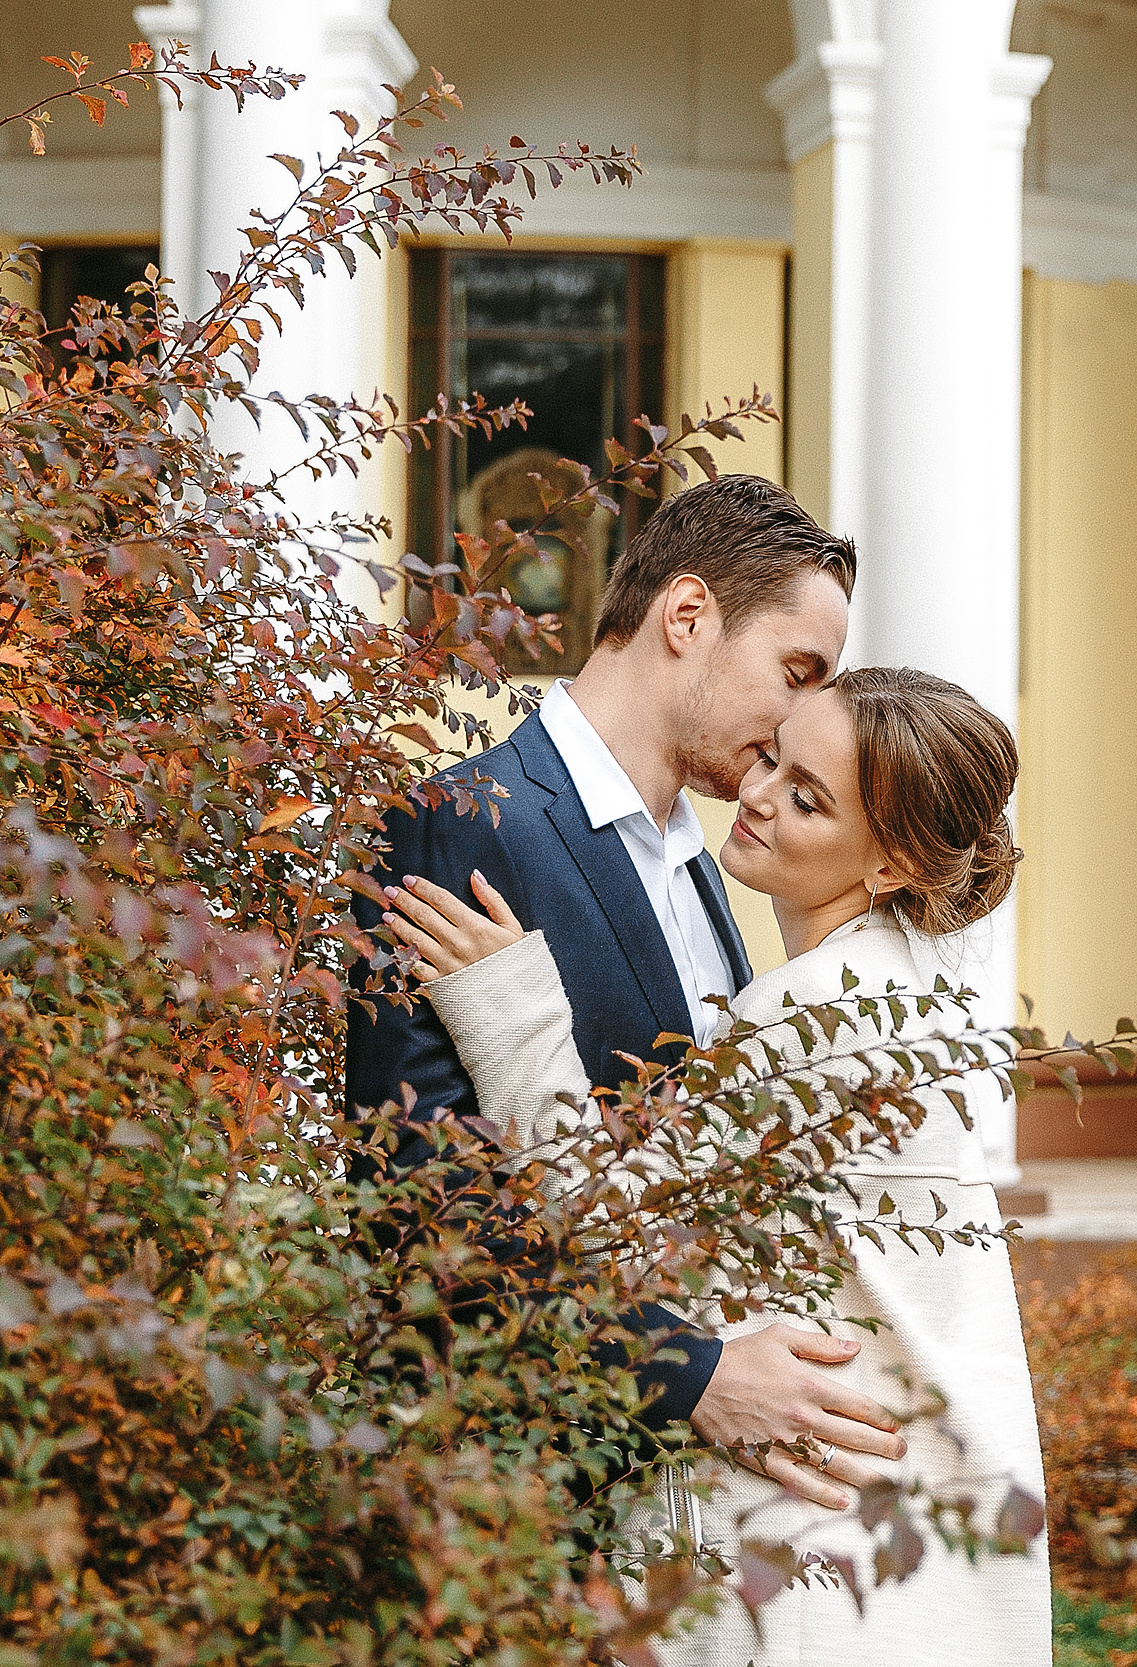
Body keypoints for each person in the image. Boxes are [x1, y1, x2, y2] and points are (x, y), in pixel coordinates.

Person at [378, 666, 1050, 1666]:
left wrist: (509, 1003)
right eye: (776, 753)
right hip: (912, 1537)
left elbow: (607, 1218)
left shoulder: (824, 1015)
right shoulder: (904, 987)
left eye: (810, 796)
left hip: (821, 1559)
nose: (761, 791)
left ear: (890, 865)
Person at [346, 475, 907, 1510]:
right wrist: (686, 1375)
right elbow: (425, 1212)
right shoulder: (465, 822)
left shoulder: (707, 866)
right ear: (686, 616)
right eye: (796, 672)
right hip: (508, 1500)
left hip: (668, 1522)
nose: (809, 715)